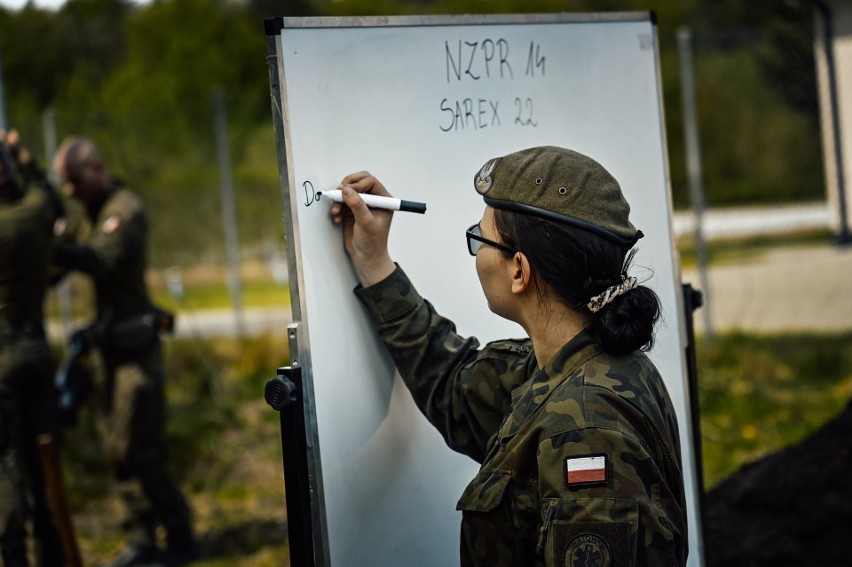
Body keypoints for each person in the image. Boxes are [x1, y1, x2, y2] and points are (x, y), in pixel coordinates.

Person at [330, 146, 688, 566]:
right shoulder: (573, 363)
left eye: (480, 238)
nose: (476, 254)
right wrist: (374, 261)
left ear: (519, 270)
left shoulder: (586, 430)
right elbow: (454, 386)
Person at [51, 137, 199, 567]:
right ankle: (141, 539)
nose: (69, 191)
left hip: (134, 353)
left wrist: (48, 244)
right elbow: (55, 270)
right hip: (101, 357)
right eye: (64, 183)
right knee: (116, 451)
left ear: (95, 168)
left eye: (74, 181)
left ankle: (180, 538)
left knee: (140, 449)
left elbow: (98, 258)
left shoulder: (124, 210)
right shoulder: (85, 215)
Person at [0, 130, 67, 566]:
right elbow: (53, 199)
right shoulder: (33, 212)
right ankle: (54, 552)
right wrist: (21, 154)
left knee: (6, 465)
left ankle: (14, 555)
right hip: (37, 357)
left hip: (1, 365)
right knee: (43, 460)